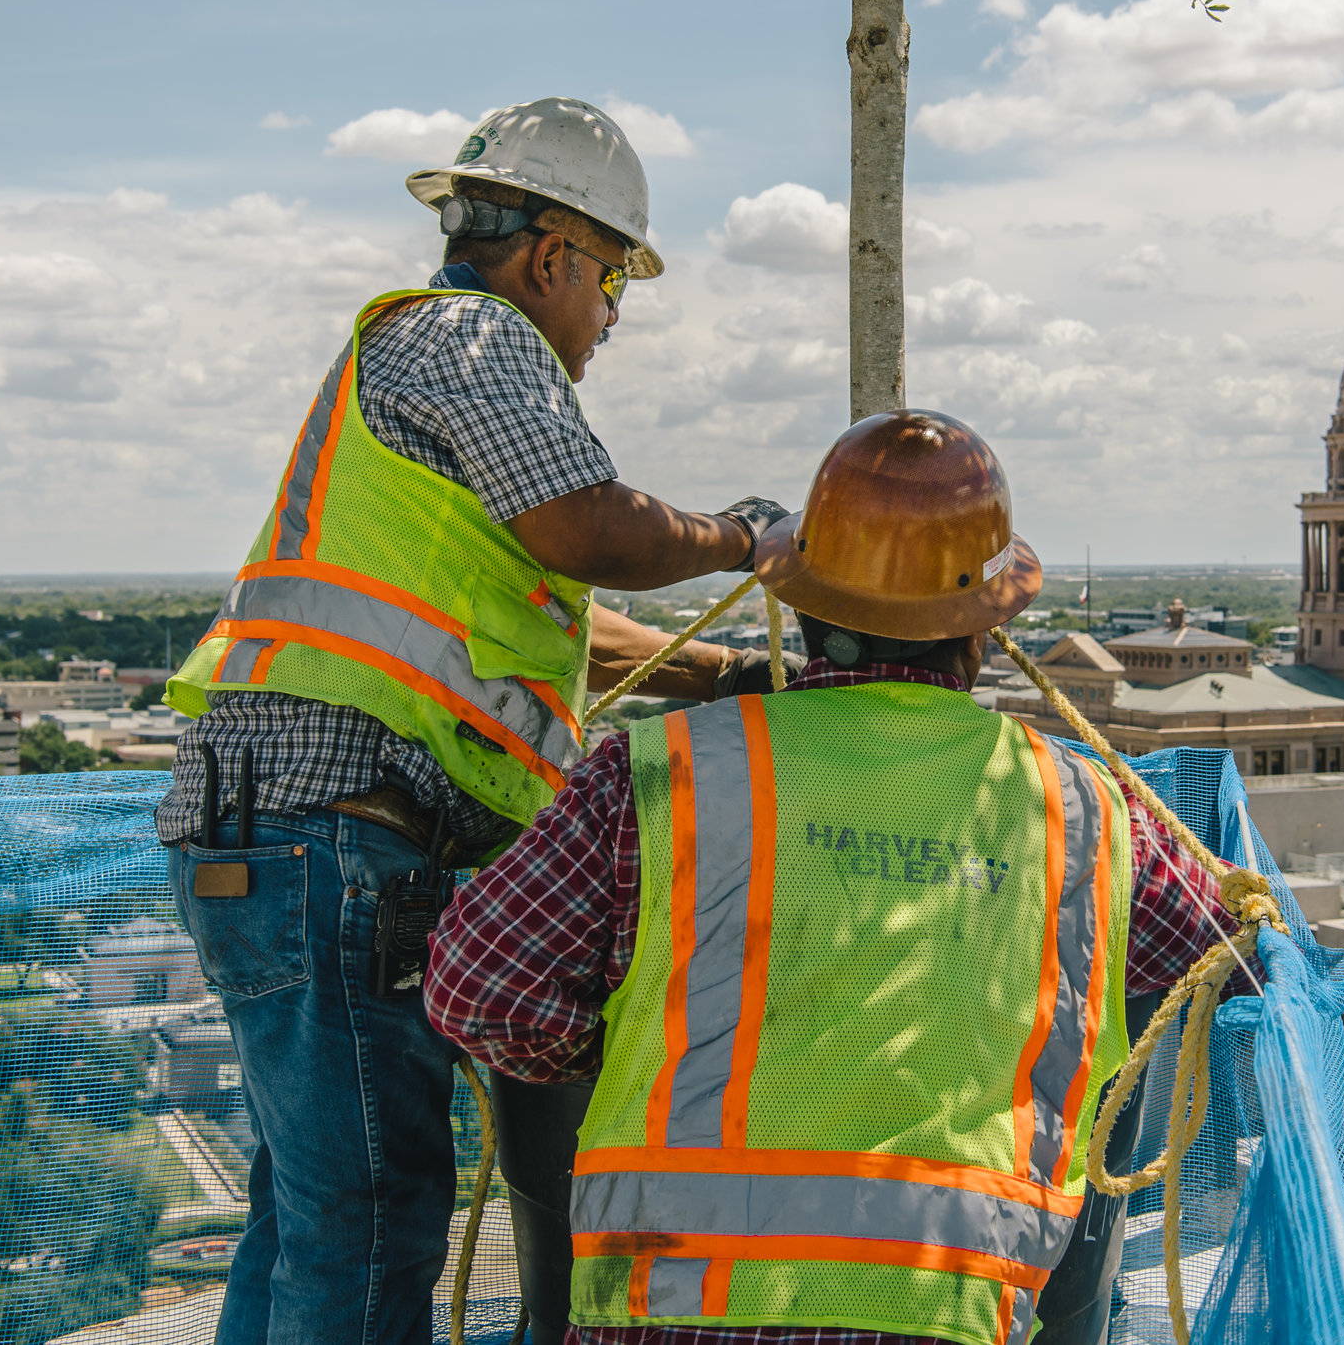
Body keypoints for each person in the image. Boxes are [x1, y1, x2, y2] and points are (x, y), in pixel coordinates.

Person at [160, 97, 793, 1345]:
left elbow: (543, 610)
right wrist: (748, 539)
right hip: (327, 845)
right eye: (613, 278)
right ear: (551, 252)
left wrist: (726, 674)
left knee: (309, 1212)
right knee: (377, 1217)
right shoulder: (471, 335)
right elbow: (586, 525)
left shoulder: (415, 376)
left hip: (275, 843)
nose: (611, 314)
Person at [424, 409, 1238, 1345]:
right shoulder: (1086, 812)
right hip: (949, 1317)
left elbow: (476, 984)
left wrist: (642, 1048)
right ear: (982, 631)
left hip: (664, 1316)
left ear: (801, 609)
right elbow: (1219, 955)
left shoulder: (657, 776)